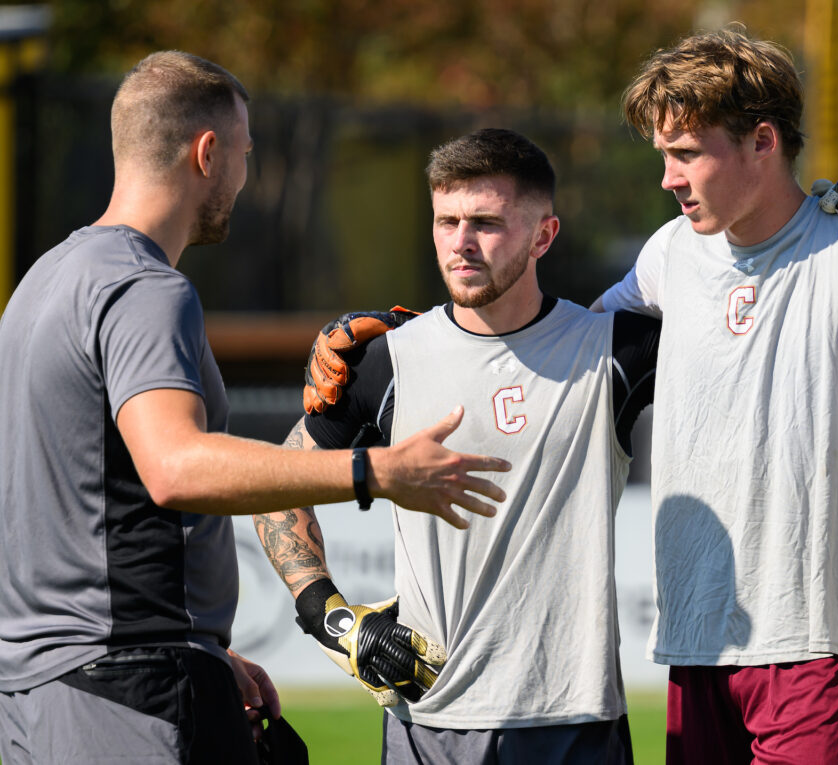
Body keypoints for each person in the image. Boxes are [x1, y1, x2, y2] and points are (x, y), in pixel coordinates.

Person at [0, 51, 509, 764]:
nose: (245, 174)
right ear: (207, 153)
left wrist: (209, 649)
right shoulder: (145, 289)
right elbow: (174, 467)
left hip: (43, 691)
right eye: (244, 152)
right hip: (127, 691)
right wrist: (375, 470)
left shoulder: (43, 281)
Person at [587, 26, 838, 763]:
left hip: (822, 642)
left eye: (687, 153)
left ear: (762, 141)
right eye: (664, 155)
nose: (668, 177)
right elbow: (561, 349)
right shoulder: (668, 255)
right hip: (698, 638)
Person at [254, 128, 660, 764]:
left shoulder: (617, 350)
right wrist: (328, 616)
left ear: (543, 236)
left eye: (486, 223)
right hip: (430, 720)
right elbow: (274, 485)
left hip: (576, 720)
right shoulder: (384, 362)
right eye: (447, 221)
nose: (461, 243)